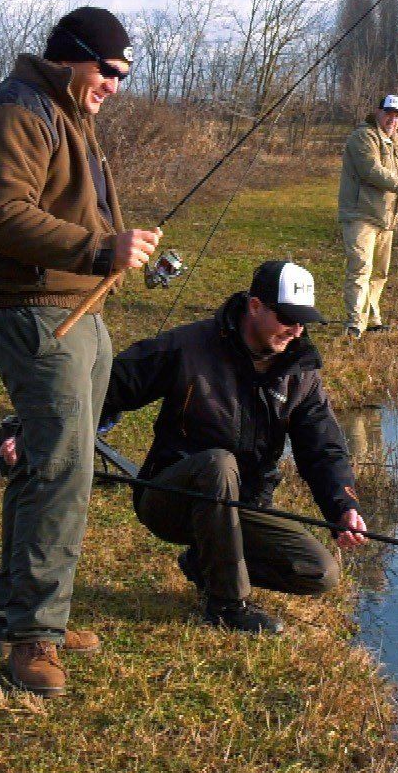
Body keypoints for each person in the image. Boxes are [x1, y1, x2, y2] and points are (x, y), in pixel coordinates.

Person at [0, 5, 161, 697]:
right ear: (71, 56)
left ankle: (37, 613)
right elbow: (3, 215)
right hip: (36, 312)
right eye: (108, 70)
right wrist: (99, 247)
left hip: (79, 310)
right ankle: (33, 638)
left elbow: (71, 210)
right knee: (62, 469)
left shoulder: (68, 115)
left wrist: (117, 245)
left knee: (56, 464)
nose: (115, 84)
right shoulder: (16, 113)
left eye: (124, 74)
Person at [100, 259, 368, 634]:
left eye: (303, 320)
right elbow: (108, 390)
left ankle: (204, 563)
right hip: (170, 500)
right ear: (254, 306)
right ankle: (227, 605)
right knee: (218, 464)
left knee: (319, 572)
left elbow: (323, 449)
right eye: (287, 317)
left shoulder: (301, 373)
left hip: (245, 507)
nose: (296, 330)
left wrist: (343, 507)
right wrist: (34, 432)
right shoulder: (188, 346)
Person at [337, 94, 398, 338]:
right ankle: (354, 324)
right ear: (377, 112)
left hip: (386, 219)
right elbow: (370, 170)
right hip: (361, 215)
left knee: (380, 273)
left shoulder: (397, 143)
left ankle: (372, 319)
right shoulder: (363, 137)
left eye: (397, 117)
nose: (391, 120)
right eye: (388, 114)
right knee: (361, 268)